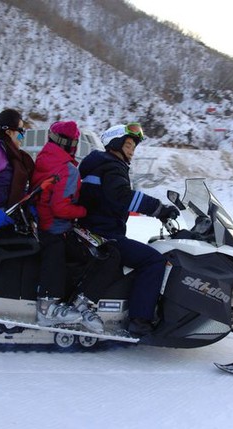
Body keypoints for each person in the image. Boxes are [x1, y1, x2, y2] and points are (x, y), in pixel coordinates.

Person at [78, 123, 179, 336]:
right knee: (153, 260)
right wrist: (159, 209)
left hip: (94, 231)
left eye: (134, 145)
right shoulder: (111, 166)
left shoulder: (100, 164)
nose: (132, 150)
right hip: (102, 235)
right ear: (115, 143)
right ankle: (140, 320)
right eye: (129, 144)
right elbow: (122, 197)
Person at [31, 120, 104, 333]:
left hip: (42, 224)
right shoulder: (67, 169)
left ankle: (60, 301)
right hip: (57, 226)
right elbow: (61, 208)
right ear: (70, 144)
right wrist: (84, 211)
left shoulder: (44, 159)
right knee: (91, 255)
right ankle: (55, 306)